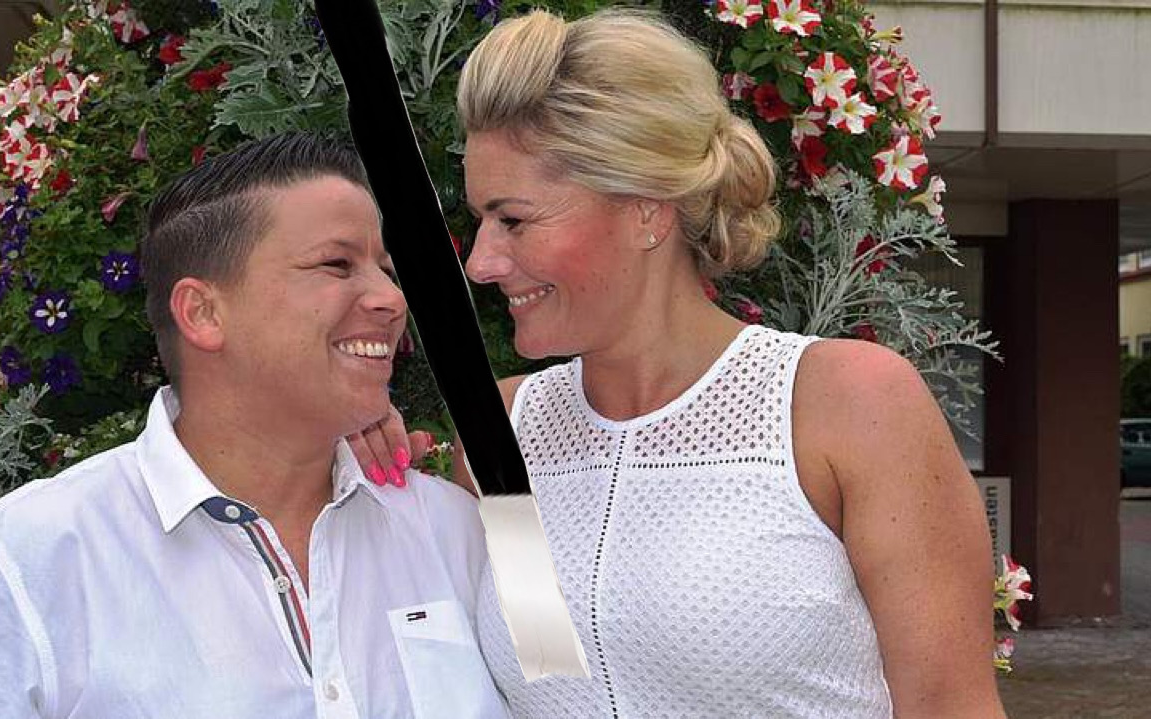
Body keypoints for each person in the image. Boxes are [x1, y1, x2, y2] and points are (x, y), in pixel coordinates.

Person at [353, 9, 1005, 717]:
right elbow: (552, 673)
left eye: (513, 219)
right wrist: (345, 461)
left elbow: (951, 706)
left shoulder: (845, 405)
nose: (481, 262)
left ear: (646, 210)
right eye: (481, 221)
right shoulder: (505, 427)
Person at [0, 133, 508, 718]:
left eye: (386, 270)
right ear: (202, 312)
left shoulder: (455, 533)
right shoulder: (11, 573)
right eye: (337, 265)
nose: (392, 299)